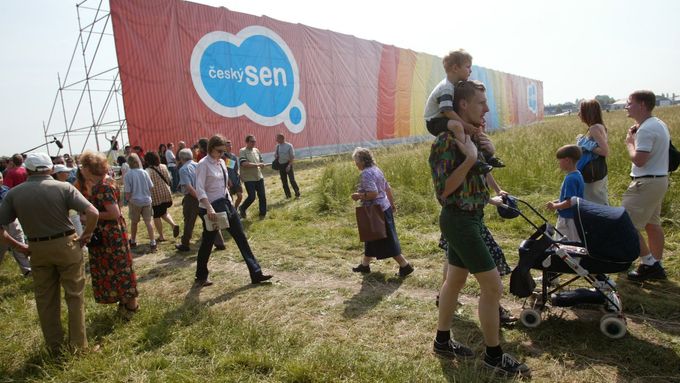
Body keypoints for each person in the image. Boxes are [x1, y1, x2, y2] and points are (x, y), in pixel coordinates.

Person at [429, 80, 530, 377]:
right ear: (462, 105)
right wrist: (470, 158)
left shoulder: (470, 137)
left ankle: (442, 341)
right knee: (493, 287)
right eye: (480, 102)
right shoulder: (446, 142)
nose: (486, 108)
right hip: (458, 220)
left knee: (455, 282)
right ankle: (494, 356)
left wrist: (493, 197)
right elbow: (444, 192)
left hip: (471, 217)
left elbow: (474, 182)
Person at [0, 153, 99, 353]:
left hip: (37, 248)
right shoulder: (64, 188)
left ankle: (54, 347)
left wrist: (20, 247)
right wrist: (85, 236)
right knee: (74, 295)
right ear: (51, 169)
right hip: (66, 245)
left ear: (27, 170)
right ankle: (79, 347)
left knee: (45, 300)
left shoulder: (14, 193)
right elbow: (93, 212)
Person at [193, 134, 272, 286]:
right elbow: (200, 188)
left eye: (223, 151)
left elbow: (225, 185)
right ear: (211, 149)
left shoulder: (222, 162)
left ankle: (256, 273)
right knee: (208, 242)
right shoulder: (202, 164)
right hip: (210, 209)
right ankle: (201, 276)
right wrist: (209, 207)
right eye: (219, 151)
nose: (222, 154)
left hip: (226, 205)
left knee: (241, 237)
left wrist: (231, 202)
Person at [79, 151, 139, 318]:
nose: (81, 169)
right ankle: (126, 303)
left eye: (83, 166)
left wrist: (89, 216)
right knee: (118, 268)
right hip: (111, 234)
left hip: (109, 236)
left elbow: (114, 213)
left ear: (90, 168)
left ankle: (131, 304)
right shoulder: (106, 183)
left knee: (118, 268)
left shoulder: (103, 187)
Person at [424, 50, 503, 174]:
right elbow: (447, 111)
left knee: (470, 129)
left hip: (443, 118)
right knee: (458, 126)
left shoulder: (452, 86)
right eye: (468, 67)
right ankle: (470, 157)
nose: (470, 71)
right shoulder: (446, 87)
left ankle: (486, 156)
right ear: (455, 68)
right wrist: (466, 125)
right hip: (434, 121)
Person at [623, 90, 670, 281]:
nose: (626, 106)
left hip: (646, 182)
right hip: (658, 180)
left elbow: (640, 160)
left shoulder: (646, 129)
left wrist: (629, 143)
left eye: (629, 102)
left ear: (642, 105)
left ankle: (649, 264)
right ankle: (656, 263)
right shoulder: (658, 124)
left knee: (625, 224)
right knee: (652, 224)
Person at [350, 148, 414, 277]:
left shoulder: (366, 174)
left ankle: (405, 266)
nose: (356, 164)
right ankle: (365, 265)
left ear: (362, 161)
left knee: (386, 241)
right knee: (370, 238)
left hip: (375, 211)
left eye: (356, 162)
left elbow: (373, 193)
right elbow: (386, 187)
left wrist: (358, 195)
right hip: (384, 208)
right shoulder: (376, 169)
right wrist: (392, 204)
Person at [175, 148, 227, 252]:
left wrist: (198, 197)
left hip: (192, 197)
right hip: (204, 195)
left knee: (189, 221)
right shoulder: (198, 164)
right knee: (210, 218)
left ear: (181, 158)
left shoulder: (183, 169)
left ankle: (185, 244)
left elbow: (189, 187)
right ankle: (220, 243)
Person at [545, 145, 585, 242]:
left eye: (560, 160)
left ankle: (569, 257)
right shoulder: (578, 174)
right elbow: (573, 198)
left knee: (564, 242)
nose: (559, 163)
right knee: (574, 240)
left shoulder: (570, 179)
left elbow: (569, 202)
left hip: (567, 218)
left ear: (567, 160)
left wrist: (555, 206)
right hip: (575, 216)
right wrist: (558, 201)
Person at [576, 99, 609, 205]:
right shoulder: (600, 126)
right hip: (598, 169)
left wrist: (585, 143)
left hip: (592, 170)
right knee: (600, 198)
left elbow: (604, 151)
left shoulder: (594, 128)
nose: (578, 114)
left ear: (587, 112)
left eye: (580, 111)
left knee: (594, 202)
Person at [0, 171, 31, 276]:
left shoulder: (6, 190)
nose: (0, 180)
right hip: (1, 225)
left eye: (0, 178)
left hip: (12, 221)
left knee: (20, 241)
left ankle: (27, 270)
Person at [144, 151, 180, 242]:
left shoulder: (148, 171)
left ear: (147, 161)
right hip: (166, 193)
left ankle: (161, 236)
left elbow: (147, 185)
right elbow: (168, 179)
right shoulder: (163, 166)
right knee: (164, 212)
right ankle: (173, 225)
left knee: (156, 216)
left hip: (155, 196)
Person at [124, 153, 157, 252]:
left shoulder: (128, 175)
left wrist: (127, 200)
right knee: (148, 222)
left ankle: (133, 240)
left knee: (134, 222)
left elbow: (128, 192)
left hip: (135, 201)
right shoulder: (144, 172)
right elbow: (151, 187)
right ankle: (153, 242)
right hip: (147, 200)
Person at [238, 135, 267, 219]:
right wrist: (258, 164)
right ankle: (242, 208)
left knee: (262, 196)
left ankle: (262, 214)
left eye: (254, 141)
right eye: (252, 141)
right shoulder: (242, 151)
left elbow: (261, 161)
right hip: (249, 178)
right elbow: (243, 163)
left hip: (259, 177)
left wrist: (262, 164)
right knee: (252, 197)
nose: (254, 143)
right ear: (247, 142)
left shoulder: (256, 150)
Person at [274, 133, 301, 199]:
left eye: (277, 138)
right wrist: (276, 156)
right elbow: (275, 155)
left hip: (288, 164)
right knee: (284, 181)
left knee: (292, 180)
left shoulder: (289, 145)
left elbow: (292, 156)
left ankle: (297, 193)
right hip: (281, 165)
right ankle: (288, 195)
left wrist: (289, 165)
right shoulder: (277, 146)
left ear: (282, 138)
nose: (276, 140)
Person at [224, 139, 243, 210]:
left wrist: (239, 175)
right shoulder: (222, 157)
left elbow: (235, 168)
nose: (230, 147)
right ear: (224, 147)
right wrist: (228, 180)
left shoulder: (234, 156)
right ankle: (232, 212)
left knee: (240, 196)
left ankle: (235, 208)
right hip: (228, 181)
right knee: (230, 199)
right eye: (227, 146)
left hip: (235, 179)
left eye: (230, 145)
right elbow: (228, 166)